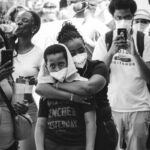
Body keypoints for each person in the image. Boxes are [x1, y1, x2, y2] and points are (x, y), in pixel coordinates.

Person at [36, 22, 118, 150]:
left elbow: (89, 88)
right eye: (72, 53)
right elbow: (41, 88)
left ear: (85, 46)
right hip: (74, 136)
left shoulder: (98, 66)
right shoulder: (61, 70)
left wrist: (56, 85)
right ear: (66, 54)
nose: (78, 55)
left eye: (81, 50)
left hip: (102, 127)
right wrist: (71, 96)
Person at [92, 0, 150, 149]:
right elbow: (97, 76)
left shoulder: (144, 40)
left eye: (127, 17)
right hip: (111, 107)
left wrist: (135, 54)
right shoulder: (105, 40)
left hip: (139, 108)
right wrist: (111, 52)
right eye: (119, 17)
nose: (123, 21)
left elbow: (148, 77)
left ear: (133, 17)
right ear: (113, 17)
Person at [35, 43, 96, 150]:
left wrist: (89, 148)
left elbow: (90, 122)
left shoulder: (81, 87)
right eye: (52, 66)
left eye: (61, 64)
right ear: (46, 67)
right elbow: (40, 125)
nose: (57, 68)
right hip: (51, 144)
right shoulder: (46, 90)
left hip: (77, 145)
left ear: (69, 63)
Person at [7, 10, 42, 150]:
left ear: (34, 28)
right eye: (18, 20)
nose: (19, 22)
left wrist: (36, 81)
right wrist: (8, 41)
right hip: (4, 108)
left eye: (25, 20)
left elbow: (46, 85)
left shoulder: (40, 53)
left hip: (27, 109)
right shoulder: (5, 50)